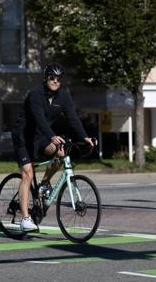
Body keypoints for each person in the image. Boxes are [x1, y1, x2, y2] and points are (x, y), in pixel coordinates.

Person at [13, 62, 95, 232]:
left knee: (61, 152)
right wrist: (52, 135)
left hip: (42, 136)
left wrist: (85, 137)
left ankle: (44, 183)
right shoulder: (35, 95)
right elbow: (39, 119)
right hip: (24, 136)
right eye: (52, 77)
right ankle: (25, 219)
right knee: (27, 173)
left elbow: (73, 118)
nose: (55, 81)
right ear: (46, 77)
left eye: (59, 78)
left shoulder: (63, 96)